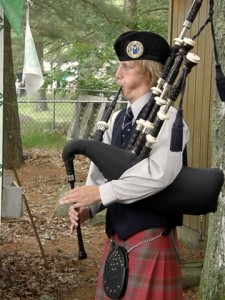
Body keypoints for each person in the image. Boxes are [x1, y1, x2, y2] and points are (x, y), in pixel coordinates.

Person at [60, 31, 189, 300]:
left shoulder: (170, 119)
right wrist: (89, 206)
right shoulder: (117, 119)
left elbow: (159, 174)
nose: (118, 74)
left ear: (149, 74)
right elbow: (101, 172)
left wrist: (100, 195)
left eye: (127, 67)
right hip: (117, 238)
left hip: (151, 238)